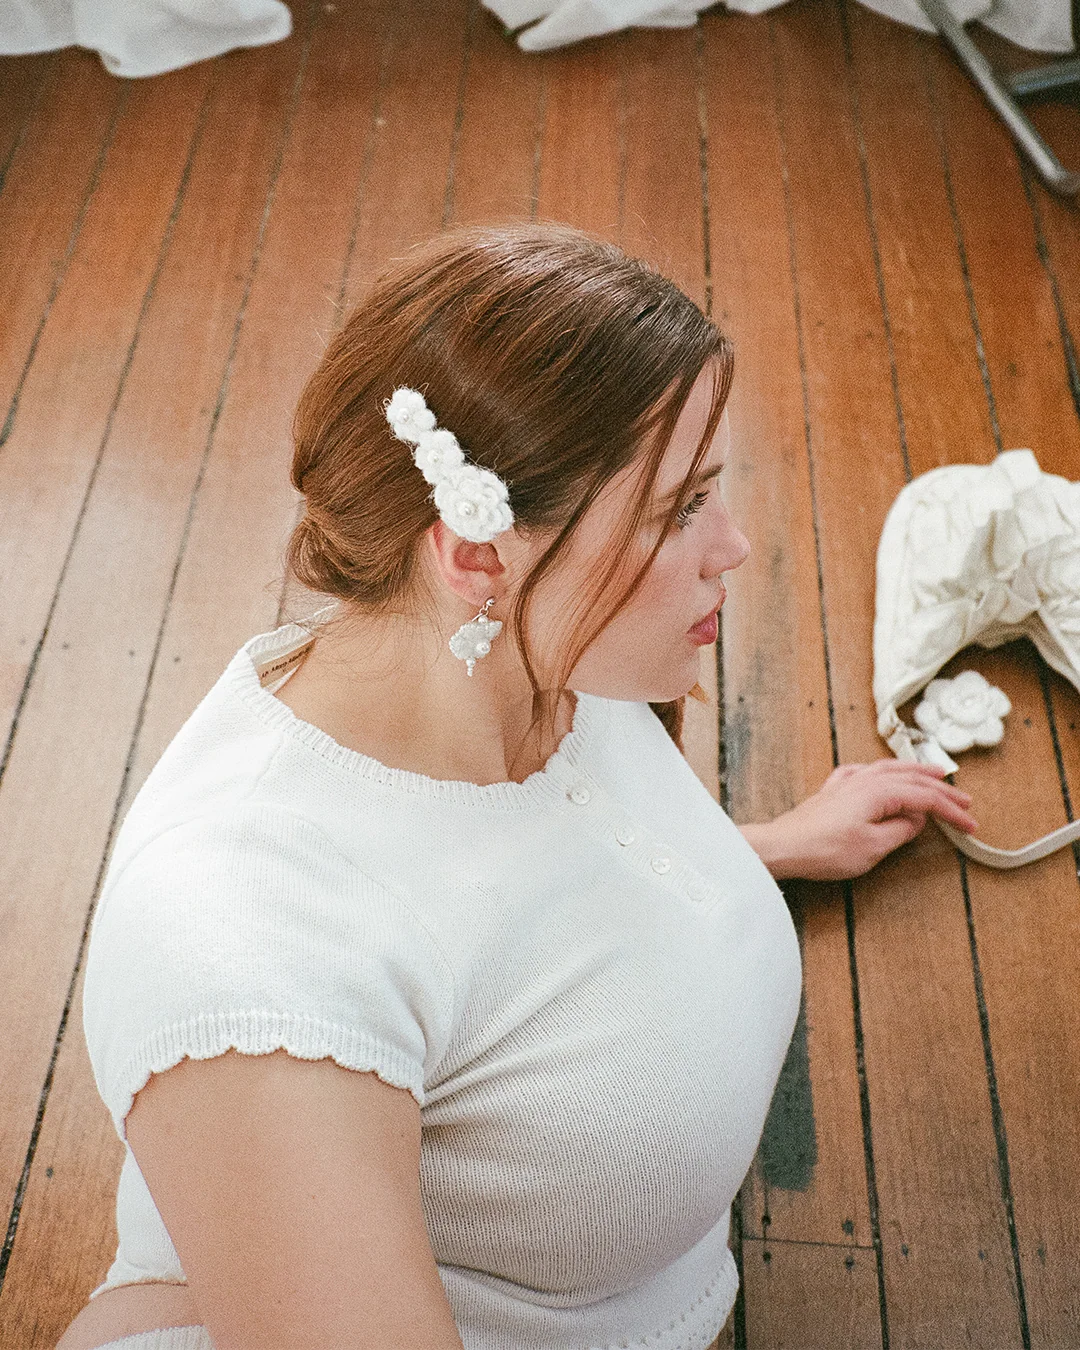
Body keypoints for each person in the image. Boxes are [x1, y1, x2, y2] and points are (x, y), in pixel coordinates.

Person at [59, 223, 978, 1350]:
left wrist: (765, 846)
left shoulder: (538, 657)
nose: (734, 547)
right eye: (677, 510)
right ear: (478, 554)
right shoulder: (250, 950)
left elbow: (526, 899)